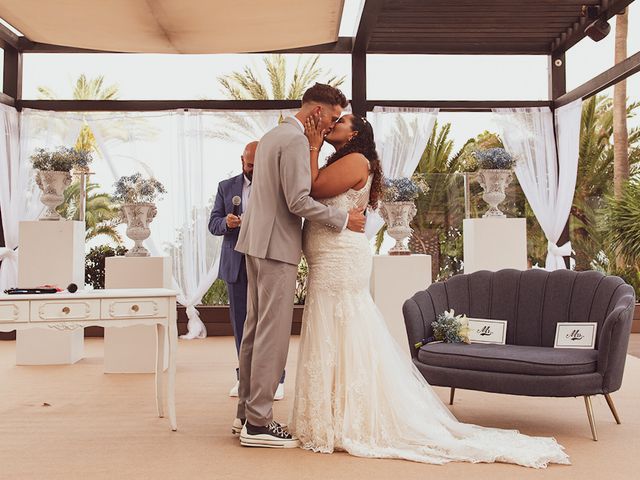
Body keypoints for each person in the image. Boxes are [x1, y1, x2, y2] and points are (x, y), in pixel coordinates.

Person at [288, 113, 571, 468]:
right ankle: (328, 414)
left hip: (340, 259)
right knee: (333, 329)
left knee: (344, 328)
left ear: (355, 133)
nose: (332, 124)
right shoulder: (344, 159)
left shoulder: (355, 160)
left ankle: (346, 418)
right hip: (328, 258)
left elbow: (312, 188)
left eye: (340, 121)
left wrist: (313, 144)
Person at [234, 83, 366, 448]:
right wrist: (342, 220)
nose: (332, 125)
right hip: (276, 246)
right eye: (333, 117)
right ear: (318, 113)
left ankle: (245, 413)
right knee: (272, 335)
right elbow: (297, 201)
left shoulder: (273, 134)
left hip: (256, 242)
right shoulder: (294, 140)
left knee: (254, 329)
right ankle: (259, 423)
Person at [208, 141, 285, 408]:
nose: (252, 169)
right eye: (249, 164)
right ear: (242, 160)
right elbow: (213, 224)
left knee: (270, 322)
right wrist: (226, 223)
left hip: (267, 260)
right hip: (237, 264)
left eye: (257, 164)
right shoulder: (226, 187)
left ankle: (278, 380)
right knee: (241, 325)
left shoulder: (276, 185)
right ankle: (244, 378)